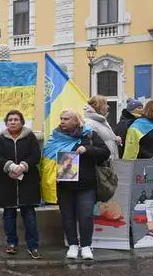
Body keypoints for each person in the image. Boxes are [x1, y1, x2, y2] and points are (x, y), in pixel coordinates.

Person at [47, 109, 110, 261]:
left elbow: (105, 152)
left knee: (86, 216)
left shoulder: (89, 135)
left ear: (76, 121)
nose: (62, 121)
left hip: (86, 185)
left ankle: (86, 246)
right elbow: (47, 156)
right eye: (61, 118)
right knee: (67, 216)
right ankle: (73, 245)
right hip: (65, 184)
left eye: (67, 118)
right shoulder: (55, 137)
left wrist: (87, 149)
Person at [0, 109, 41, 258]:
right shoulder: (0, 138)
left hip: (28, 182)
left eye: (16, 119)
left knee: (30, 217)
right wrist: (10, 166)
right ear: (6, 123)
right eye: (10, 120)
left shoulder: (30, 137)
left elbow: (36, 156)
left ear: (22, 122)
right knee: (8, 215)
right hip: (7, 182)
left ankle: (33, 246)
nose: (13, 122)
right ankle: (11, 243)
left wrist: (23, 166)